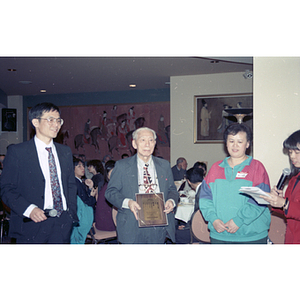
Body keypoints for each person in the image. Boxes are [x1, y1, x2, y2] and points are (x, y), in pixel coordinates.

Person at [0, 102, 78, 244]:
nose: (56, 124)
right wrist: (29, 209)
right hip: (32, 223)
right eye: (50, 120)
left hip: (62, 223)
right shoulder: (18, 152)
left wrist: (70, 212)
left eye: (58, 120)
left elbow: (70, 185)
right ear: (35, 122)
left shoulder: (65, 152)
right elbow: (6, 189)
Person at [199, 122, 271, 244]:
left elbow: (261, 199)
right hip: (220, 236)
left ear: (248, 144)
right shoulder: (215, 168)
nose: (235, 145)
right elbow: (205, 198)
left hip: (251, 237)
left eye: (240, 141)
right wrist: (214, 219)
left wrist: (239, 220)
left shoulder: (257, 167)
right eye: (231, 141)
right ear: (226, 143)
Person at [105, 127, 179, 244]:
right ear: (134, 144)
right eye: (142, 140)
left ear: (155, 144)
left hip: (158, 224)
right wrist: (128, 202)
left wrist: (171, 200)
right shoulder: (122, 166)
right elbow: (110, 192)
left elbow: (172, 190)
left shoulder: (164, 165)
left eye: (151, 140)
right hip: (132, 223)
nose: (147, 144)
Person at [260, 130, 300, 244]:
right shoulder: (294, 179)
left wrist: (284, 203)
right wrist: (276, 202)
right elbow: (289, 212)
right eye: (290, 152)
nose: (292, 156)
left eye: (297, 152)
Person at [71, 157, 96, 244]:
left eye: (83, 166)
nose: (83, 168)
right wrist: (92, 196)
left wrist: (89, 188)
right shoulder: (75, 183)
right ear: (72, 169)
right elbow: (87, 203)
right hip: (81, 220)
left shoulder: (79, 181)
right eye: (79, 166)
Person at [95, 160, 116, 231]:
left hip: (101, 223)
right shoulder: (110, 188)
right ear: (107, 175)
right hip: (107, 225)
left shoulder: (107, 185)